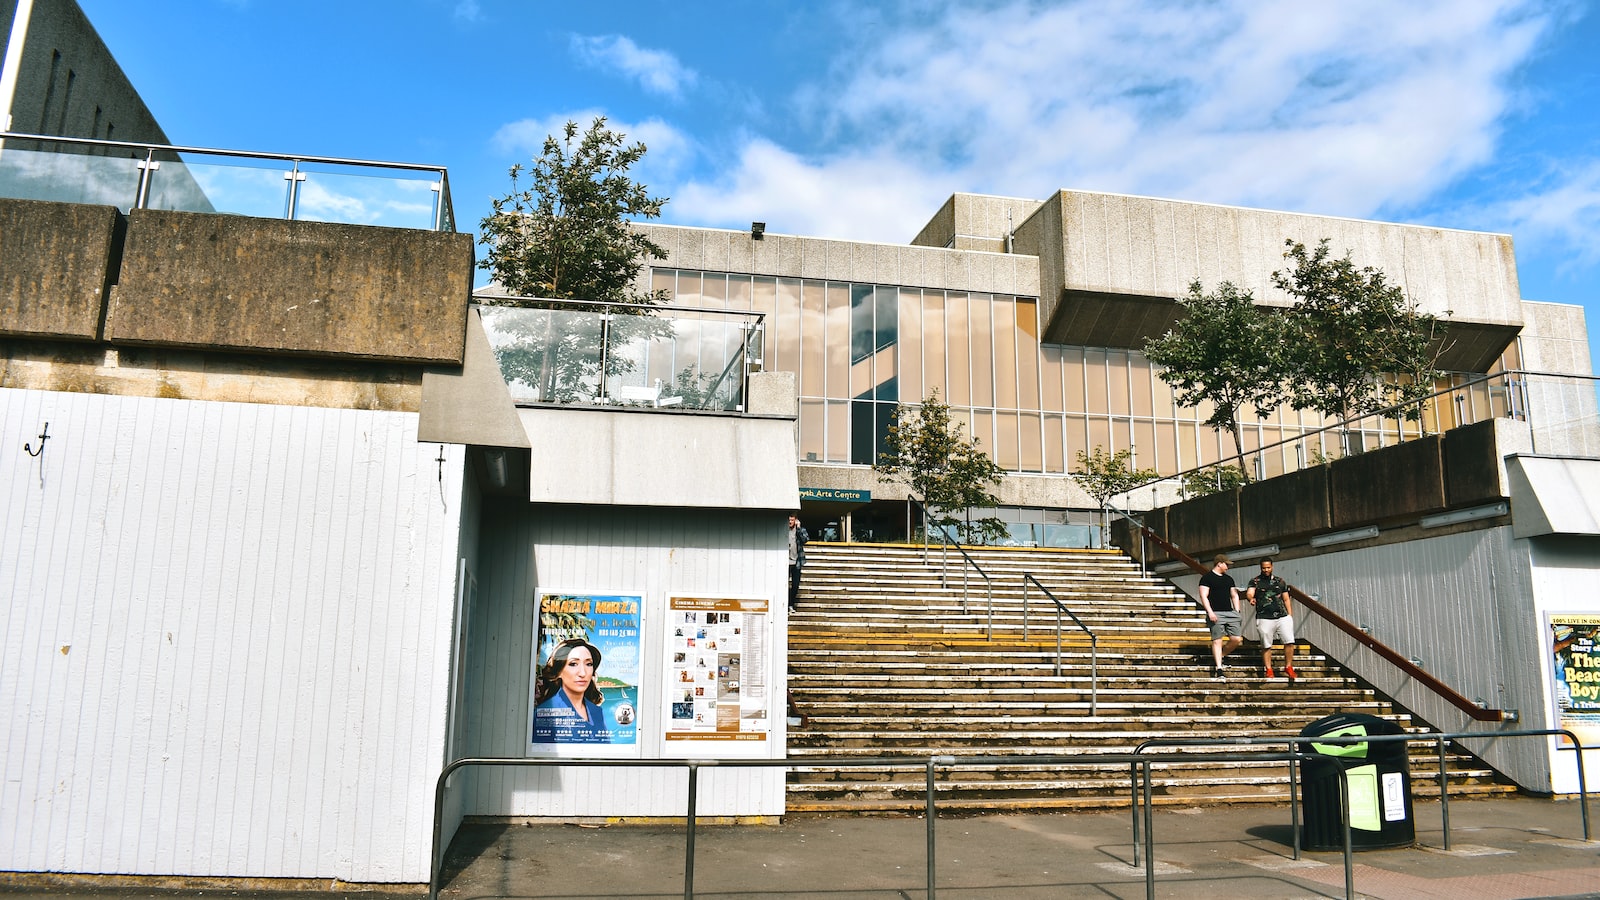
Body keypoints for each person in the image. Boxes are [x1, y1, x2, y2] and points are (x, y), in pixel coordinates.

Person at [532, 638, 609, 743]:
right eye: (573, 664)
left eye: (589, 664)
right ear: (559, 671)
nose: (582, 673)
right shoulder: (546, 712)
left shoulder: (596, 712)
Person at [1247, 558, 1297, 681]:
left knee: (1289, 641)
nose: (1266, 570)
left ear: (1272, 567)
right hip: (1264, 617)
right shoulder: (1255, 581)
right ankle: (1268, 669)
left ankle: (1288, 666)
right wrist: (1251, 598)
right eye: (1264, 568)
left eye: (1268, 567)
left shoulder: (1280, 581)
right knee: (1266, 645)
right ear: (1261, 568)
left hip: (1282, 616)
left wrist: (1290, 615)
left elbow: (1286, 599)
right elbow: (1249, 593)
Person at [1198, 554, 1243, 677]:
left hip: (1230, 612)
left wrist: (1237, 611)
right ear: (1219, 563)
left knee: (1236, 639)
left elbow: (1234, 595)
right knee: (1217, 640)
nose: (1227, 567)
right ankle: (1219, 668)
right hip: (1216, 612)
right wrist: (1210, 612)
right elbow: (1204, 596)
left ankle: (1221, 655)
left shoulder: (1229, 579)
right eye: (1226, 564)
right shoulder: (1207, 578)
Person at [788, 513, 809, 613]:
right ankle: (786, 603)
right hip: (786, 562)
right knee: (784, 585)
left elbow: (805, 540)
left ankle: (791, 604)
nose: (790, 522)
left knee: (795, 585)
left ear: (796, 521)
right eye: (789, 520)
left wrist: (799, 528)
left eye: (792, 520)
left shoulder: (800, 530)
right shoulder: (784, 530)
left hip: (797, 561)